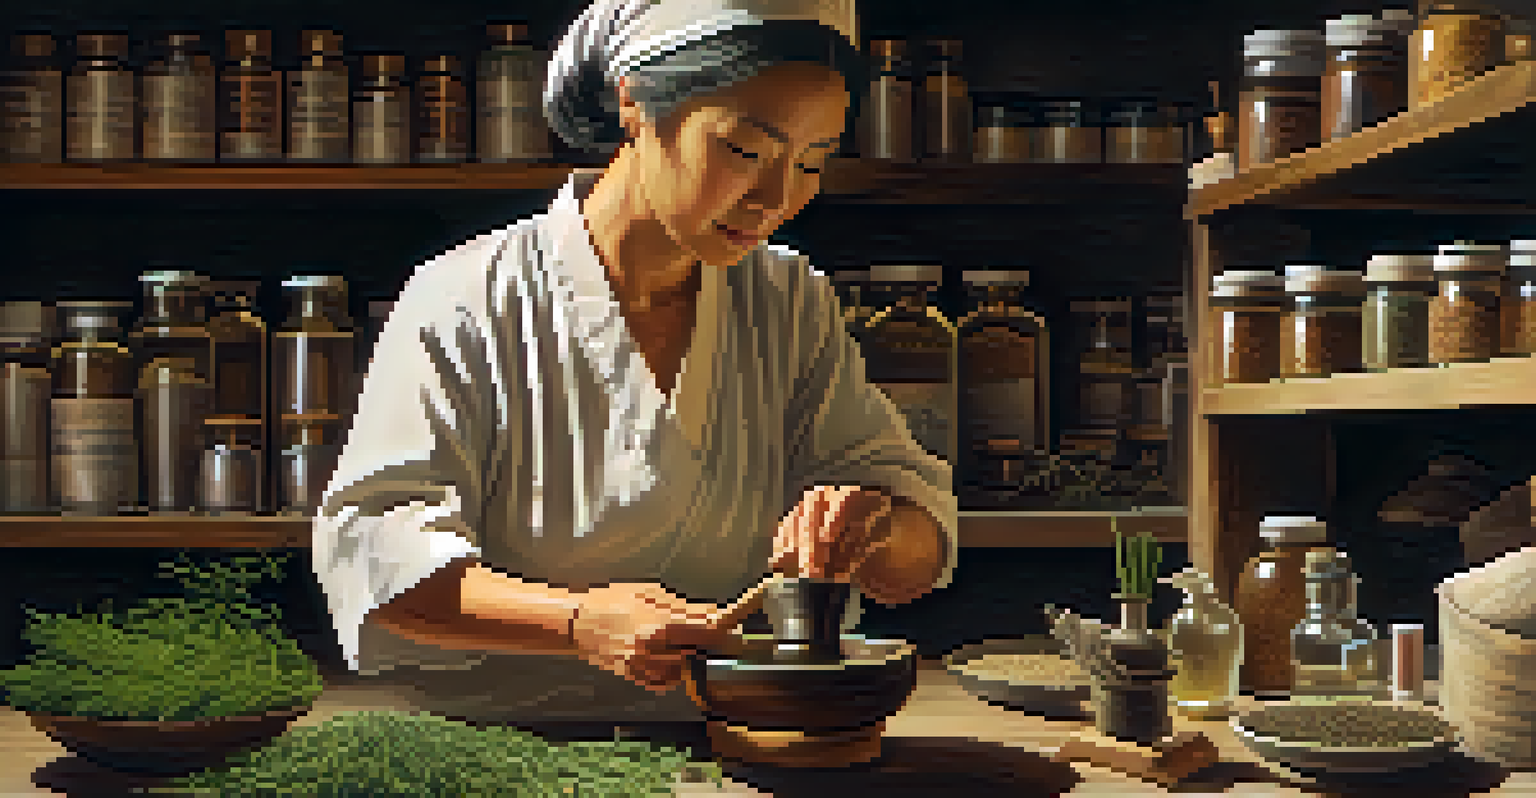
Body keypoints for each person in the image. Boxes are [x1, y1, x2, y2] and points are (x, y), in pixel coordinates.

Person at [312, 0, 957, 735]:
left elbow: (914, 553)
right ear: (634, 102)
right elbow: (375, 559)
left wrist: (873, 524)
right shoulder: (465, 296)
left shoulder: (788, 299)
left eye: (812, 162)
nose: (778, 199)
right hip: (496, 747)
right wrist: (577, 621)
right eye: (745, 150)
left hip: (737, 734)